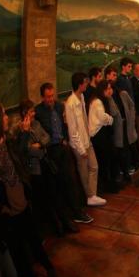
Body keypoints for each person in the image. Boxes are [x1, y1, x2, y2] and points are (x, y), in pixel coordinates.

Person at [14, 100, 78, 236]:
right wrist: (36, 147)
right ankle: (56, 226)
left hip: (46, 162)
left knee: (55, 192)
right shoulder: (19, 130)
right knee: (46, 198)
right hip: (35, 169)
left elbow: (47, 137)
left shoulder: (36, 124)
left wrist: (39, 144)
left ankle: (65, 221)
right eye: (31, 111)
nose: (34, 113)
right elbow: (25, 150)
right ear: (25, 113)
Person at [34, 83, 90, 224]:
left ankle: (77, 212)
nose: (51, 99)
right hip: (50, 151)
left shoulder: (59, 106)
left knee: (70, 180)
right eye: (48, 96)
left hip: (62, 147)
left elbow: (65, 124)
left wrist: (65, 138)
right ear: (42, 97)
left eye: (52, 95)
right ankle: (65, 216)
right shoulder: (38, 112)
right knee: (57, 185)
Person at [65, 72, 105, 209]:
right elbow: (73, 130)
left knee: (94, 166)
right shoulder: (70, 103)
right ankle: (88, 196)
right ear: (80, 84)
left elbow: (84, 121)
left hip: (87, 140)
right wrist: (81, 149)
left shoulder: (81, 97)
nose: (87, 85)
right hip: (79, 144)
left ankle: (92, 195)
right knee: (83, 171)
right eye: (85, 83)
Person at [88, 81, 116, 194]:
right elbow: (102, 118)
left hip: (101, 133)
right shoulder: (98, 101)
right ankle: (104, 187)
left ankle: (106, 185)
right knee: (104, 161)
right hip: (98, 134)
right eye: (107, 89)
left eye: (110, 88)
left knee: (106, 160)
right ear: (101, 90)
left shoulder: (101, 100)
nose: (109, 91)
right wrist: (111, 119)